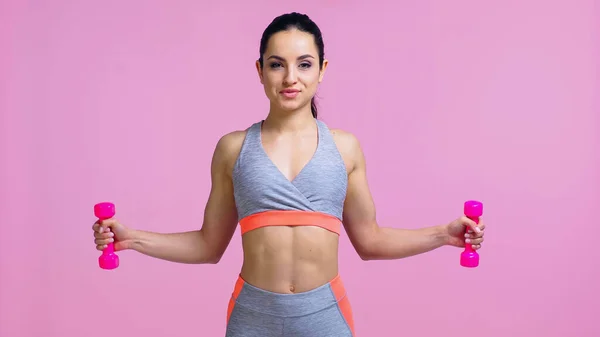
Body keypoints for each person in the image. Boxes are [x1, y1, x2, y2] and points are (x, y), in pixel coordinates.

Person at [92, 12, 486, 337]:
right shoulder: (233, 149)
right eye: (277, 64)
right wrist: (132, 239)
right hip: (253, 318)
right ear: (260, 70)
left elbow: (370, 241)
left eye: (304, 64)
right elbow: (208, 246)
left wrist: (443, 235)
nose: (290, 77)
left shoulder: (345, 148)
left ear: (322, 70)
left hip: (324, 316)